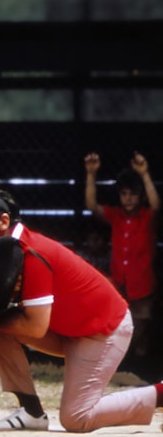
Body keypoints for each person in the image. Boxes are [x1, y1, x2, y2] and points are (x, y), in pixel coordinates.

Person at [0, 189, 163, 432]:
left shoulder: (29, 251)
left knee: (76, 418)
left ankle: (160, 394)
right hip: (72, 328)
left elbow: (36, 326)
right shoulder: (4, 252)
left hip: (103, 330)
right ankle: (31, 412)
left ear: (3, 222)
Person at [84, 151, 160, 359]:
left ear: (141, 196)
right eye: (124, 194)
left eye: (133, 194)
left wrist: (144, 175)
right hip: (119, 280)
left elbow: (156, 205)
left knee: (142, 322)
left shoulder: (147, 217)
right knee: (118, 322)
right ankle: (125, 360)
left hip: (142, 282)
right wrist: (91, 175)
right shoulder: (115, 216)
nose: (128, 198)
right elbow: (92, 206)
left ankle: (141, 360)